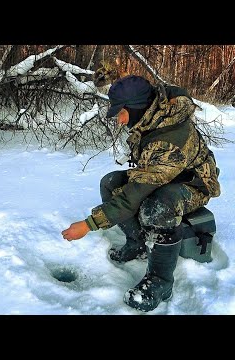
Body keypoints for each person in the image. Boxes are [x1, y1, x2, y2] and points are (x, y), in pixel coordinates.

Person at [61, 75, 221, 312]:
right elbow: (140, 180)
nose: (119, 121)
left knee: (156, 207)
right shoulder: (152, 114)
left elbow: (134, 195)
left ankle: (161, 282)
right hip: (162, 173)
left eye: (121, 113)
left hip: (194, 184)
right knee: (111, 183)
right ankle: (137, 243)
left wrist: (88, 224)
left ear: (135, 108)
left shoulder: (168, 140)